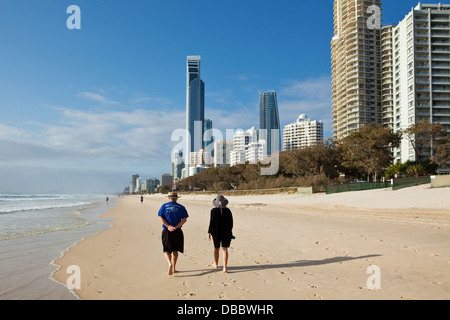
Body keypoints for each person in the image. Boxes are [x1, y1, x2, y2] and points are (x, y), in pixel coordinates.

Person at [158, 191, 188, 275]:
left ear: (168, 198)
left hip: (167, 231)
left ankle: (169, 263)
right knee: (175, 250)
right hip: (177, 231)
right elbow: (184, 219)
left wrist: (168, 226)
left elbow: (160, 217)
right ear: (177, 198)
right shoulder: (181, 207)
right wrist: (176, 227)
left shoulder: (164, 206)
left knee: (166, 250)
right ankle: (174, 268)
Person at [208, 195, 233, 273]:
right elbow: (231, 223)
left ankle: (216, 264)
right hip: (226, 232)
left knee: (216, 248)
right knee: (225, 249)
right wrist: (230, 232)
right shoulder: (228, 211)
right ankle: (225, 268)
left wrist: (209, 232)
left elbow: (211, 222)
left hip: (215, 232)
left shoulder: (213, 211)